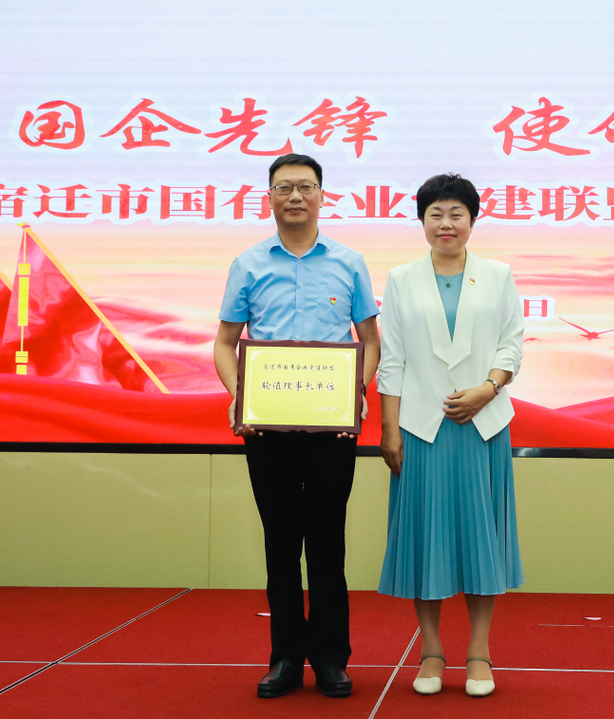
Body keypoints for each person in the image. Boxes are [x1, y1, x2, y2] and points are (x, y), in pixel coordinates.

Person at [213, 153, 380, 699]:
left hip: (332, 430)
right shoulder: (248, 264)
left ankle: (330, 658)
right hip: (268, 431)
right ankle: (285, 658)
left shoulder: (349, 263)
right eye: (284, 187)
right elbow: (225, 342)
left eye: (305, 186)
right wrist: (241, 397)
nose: (295, 197)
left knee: (328, 544)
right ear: (269, 197)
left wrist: (356, 392)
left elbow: (370, 340)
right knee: (280, 545)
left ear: (322, 196)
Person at [376, 173, 524, 698]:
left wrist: (488, 389)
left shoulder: (498, 275)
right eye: (435, 214)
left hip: (482, 426)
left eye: (456, 213)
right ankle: (432, 651)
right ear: (421, 220)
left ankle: (479, 652)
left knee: (481, 541)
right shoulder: (401, 279)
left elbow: (512, 344)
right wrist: (389, 428)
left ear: (472, 220)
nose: (446, 223)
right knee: (426, 542)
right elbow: (392, 359)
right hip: (421, 428)